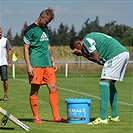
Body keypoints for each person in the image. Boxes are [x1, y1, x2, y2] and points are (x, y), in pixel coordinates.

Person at [69, 32, 129, 125]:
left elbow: (96, 59)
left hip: (115, 55)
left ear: (79, 44)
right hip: (122, 53)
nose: (77, 51)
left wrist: (82, 54)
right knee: (110, 83)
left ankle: (103, 117)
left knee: (104, 83)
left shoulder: (87, 41)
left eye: (76, 49)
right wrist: (83, 54)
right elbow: (100, 62)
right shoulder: (91, 39)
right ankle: (114, 116)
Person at [23, 8, 66, 124]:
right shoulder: (30, 30)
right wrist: (28, 65)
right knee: (35, 90)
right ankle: (36, 116)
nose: (47, 24)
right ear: (41, 17)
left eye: (49, 22)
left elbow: (47, 45)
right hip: (35, 64)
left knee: (53, 88)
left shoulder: (46, 29)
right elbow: (25, 48)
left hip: (47, 64)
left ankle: (56, 116)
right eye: (46, 21)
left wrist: (52, 59)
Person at [0, 27, 12, 101]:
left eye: (1, 32)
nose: (0, 33)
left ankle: (5, 95)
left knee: (5, 79)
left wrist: (9, 62)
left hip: (3, 63)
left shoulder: (5, 40)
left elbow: (9, 51)